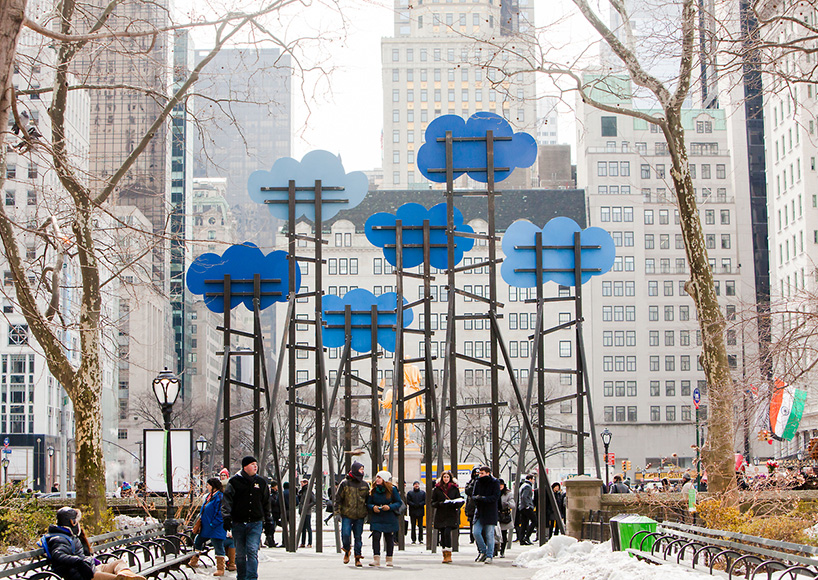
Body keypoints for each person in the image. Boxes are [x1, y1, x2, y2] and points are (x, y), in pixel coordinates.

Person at [42, 507, 146, 580]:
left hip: (91, 568)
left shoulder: (69, 536)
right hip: (84, 575)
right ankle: (126, 578)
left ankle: (127, 575)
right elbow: (58, 555)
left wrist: (89, 561)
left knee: (118, 563)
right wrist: (80, 562)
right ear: (72, 522)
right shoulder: (59, 538)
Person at [222, 457, 273, 580]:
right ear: (245, 466)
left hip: (255, 522)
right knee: (240, 554)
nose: (255, 466)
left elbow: (266, 502)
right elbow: (227, 501)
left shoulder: (261, 483)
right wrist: (227, 517)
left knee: (251, 550)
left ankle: (251, 577)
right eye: (252, 464)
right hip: (239, 522)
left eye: (256, 464)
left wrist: (268, 520)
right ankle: (242, 576)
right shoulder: (234, 482)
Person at [334, 461, 370, 567]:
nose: (362, 471)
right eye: (360, 469)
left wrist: (368, 513)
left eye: (363, 469)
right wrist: (337, 513)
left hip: (360, 515)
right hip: (347, 514)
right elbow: (338, 499)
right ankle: (346, 550)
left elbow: (368, 500)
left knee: (358, 537)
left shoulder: (364, 484)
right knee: (345, 534)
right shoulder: (345, 483)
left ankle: (357, 557)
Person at [191, 478, 228, 576]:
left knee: (218, 546)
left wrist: (212, 524)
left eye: (208, 485)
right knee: (198, 541)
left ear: (213, 486)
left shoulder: (220, 497)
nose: (207, 487)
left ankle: (220, 568)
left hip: (215, 527)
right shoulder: (210, 496)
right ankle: (194, 561)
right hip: (206, 527)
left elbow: (220, 513)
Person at [366, 470, 402, 568]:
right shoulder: (373, 490)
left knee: (389, 538)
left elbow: (399, 502)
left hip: (389, 517)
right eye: (377, 477)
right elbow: (368, 503)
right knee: (376, 536)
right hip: (377, 516)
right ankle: (376, 559)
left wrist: (390, 507)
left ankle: (389, 559)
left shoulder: (392, 489)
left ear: (384, 479)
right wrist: (373, 507)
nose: (377, 479)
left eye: (379, 478)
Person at [430, 470, 462, 564]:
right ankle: (444, 554)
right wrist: (440, 503)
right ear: (442, 478)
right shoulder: (437, 489)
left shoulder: (454, 488)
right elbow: (432, 502)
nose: (446, 479)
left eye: (447, 477)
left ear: (450, 478)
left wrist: (455, 503)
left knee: (447, 533)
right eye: (444, 477)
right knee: (443, 534)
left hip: (451, 514)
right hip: (441, 514)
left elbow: (459, 499)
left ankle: (449, 554)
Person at [471, 465, 501, 564]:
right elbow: (473, 495)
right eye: (480, 473)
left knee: (489, 534)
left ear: (488, 473)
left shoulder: (495, 482)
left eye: (482, 473)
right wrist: (477, 499)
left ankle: (489, 555)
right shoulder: (477, 482)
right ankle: (483, 551)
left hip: (490, 511)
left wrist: (483, 498)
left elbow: (496, 496)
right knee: (476, 532)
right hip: (479, 510)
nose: (480, 475)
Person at [218, 469, 236, 570]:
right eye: (222, 475)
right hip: (223, 519)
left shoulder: (227, 490)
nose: (223, 476)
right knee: (228, 540)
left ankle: (231, 562)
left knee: (230, 540)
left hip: (227, 517)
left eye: (225, 475)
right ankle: (230, 563)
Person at [497, 479, 515, 557]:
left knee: (503, 534)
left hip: (504, 515)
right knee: (494, 533)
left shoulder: (508, 494)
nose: (500, 486)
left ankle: (502, 551)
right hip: (495, 515)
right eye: (499, 484)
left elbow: (513, 505)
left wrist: (507, 504)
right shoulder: (494, 493)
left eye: (502, 484)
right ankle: (494, 550)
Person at [297, 478, 315, 548]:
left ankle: (309, 542)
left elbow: (314, 500)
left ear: (305, 483)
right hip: (302, 511)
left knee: (308, 527)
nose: (301, 484)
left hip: (307, 512)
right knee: (303, 527)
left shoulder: (308, 491)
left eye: (302, 483)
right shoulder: (302, 491)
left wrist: (307, 506)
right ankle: (303, 542)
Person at [517, 475, 535, 545]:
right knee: (534, 520)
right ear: (530, 479)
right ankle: (527, 536)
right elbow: (524, 496)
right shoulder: (528, 486)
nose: (533, 481)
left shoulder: (523, 485)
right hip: (526, 507)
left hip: (522, 507)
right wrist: (527, 505)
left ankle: (522, 539)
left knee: (524, 523)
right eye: (533, 479)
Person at [464, 467, 480, 543]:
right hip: (471, 507)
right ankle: (472, 538)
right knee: (472, 524)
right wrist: (474, 482)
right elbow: (468, 491)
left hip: (480, 506)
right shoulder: (470, 482)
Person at [267, 481, 281, 548]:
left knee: (272, 528)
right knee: (271, 528)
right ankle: (270, 541)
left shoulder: (275, 494)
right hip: (273, 512)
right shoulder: (272, 494)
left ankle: (270, 541)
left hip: (275, 513)